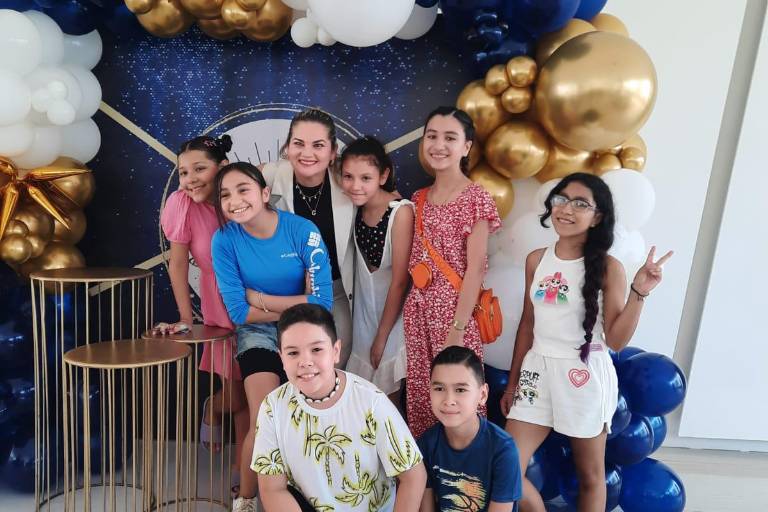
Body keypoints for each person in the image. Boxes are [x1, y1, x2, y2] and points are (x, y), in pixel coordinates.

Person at [500, 172, 673, 512]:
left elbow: (618, 340)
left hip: (583, 373)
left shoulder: (610, 268)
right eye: (562, 199)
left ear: (597, 217)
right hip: (538, 368)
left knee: (591, 475)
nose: (567, 208)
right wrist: (514, 381)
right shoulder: (537, 259)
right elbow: (527, 324)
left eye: (581, 203)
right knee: (505, 464)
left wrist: (640, 291)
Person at [211, 162, 333, 512]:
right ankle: (246, 499)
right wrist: (296, 302)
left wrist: (259, 298)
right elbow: (239, 313)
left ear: (265, 193)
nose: (234, 200)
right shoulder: (224, 240)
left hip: (305, 329)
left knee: (310, 411)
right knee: (265, 414)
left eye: (243, 189)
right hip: (257, 332)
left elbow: (322, 303)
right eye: (225, 194)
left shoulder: (302, 230)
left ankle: (307, 493)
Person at [252, 303, 426, 512]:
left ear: (335, 351)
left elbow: (414, 476)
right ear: (281, 358)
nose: (305, 361)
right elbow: (273, 488)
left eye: (316, 349)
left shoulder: (371, 402)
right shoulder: (273, 407)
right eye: (293, 353)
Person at [403, 106, 501, 438]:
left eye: (450, 138)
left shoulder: (476, 198)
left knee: (460, 397)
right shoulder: (418, 198)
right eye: (432, 136)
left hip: (455, 316)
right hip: (418, 313)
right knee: (422, 397)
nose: (439, 145)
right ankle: (427, 478)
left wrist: (458, 329)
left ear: (467, 146)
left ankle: (466, 475)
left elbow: (475, 270)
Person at [159, 134, 248, 471]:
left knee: (257, 399)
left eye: (199, 168)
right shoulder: (181, 205)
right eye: (183, 172)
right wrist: (186, 317)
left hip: (261, 303)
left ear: (222, 167)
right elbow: (178, 264)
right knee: (237, 398)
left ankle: (246, 484)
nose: (190, 178)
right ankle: (213, 405)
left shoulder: (244, 197)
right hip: (221, 308)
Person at [260, 108, 355, 368]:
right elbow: (229, 185)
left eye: (318, 145)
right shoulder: (271, 174)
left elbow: (389, 200)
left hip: (337, 294)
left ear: (333, 152)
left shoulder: (347, 181)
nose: (307, 153)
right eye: (298, 143)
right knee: (293, 372)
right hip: (287, 297)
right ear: (287, 147)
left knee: (335, 367)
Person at [339, 136, 413, 407]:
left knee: (387, 406)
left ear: (383, 176)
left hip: (392, 322)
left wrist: (382, 336)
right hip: (362, 321)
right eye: (348, 176)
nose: (355, 186)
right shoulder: (352, 209)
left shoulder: (400, 212)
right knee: (359, 404)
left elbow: (400, 281)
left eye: (365, 178)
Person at [418, 346, 522, 512]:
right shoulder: (426, 444)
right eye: (439, 388)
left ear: (482, 395)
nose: (448, 400)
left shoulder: (503, 449)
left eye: (460, 390)